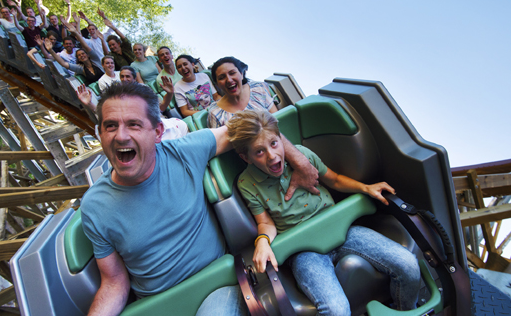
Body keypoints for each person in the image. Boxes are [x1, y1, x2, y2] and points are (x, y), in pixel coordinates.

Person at [80, 82, 321, 316]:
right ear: (100, 133)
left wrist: (300, 161)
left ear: (157, 132)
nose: (121, 136)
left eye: (133, 125)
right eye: (110, 126)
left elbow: (256, 127)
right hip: (156, 305)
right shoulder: (94, 206)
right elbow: (114, 282)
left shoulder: (184, 153)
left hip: (213, 286)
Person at [226, 110, 421, 315]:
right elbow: (265, 223)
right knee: (336, 311)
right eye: (259, 152)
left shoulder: (302, 155)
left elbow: (334, 179)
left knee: (408, 265)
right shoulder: (246, 183)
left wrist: (365, 188)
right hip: (304, 250)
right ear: (245, 158)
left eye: (274, 143)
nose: (272, 155)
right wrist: (263, 241)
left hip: (341, 230)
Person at [206, 56, 277, 128]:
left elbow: (277, 119)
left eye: (232, 73)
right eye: (222, 77)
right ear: (217, 84)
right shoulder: (215, 112)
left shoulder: (259, 89)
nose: (229, 80)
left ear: (241, 74)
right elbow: (219, 139)